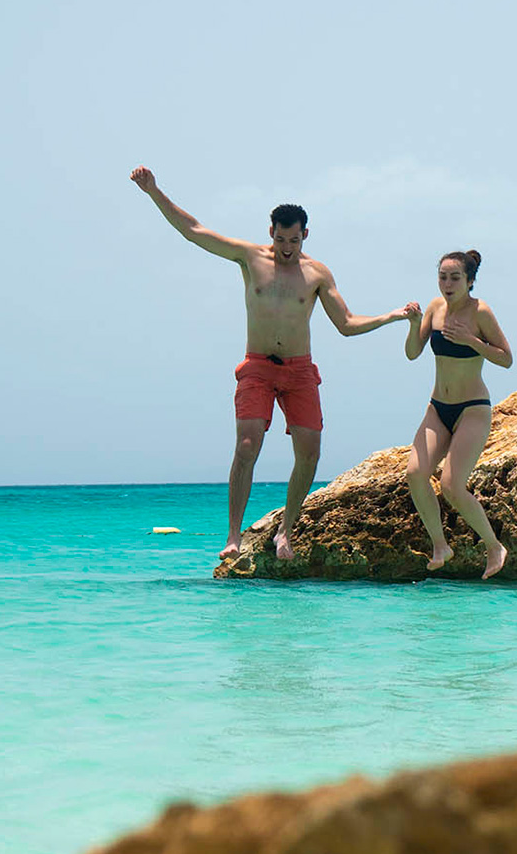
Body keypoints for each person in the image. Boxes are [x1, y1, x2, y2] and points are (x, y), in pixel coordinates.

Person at [130, 166, 418, 561]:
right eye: (281, 239)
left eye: (294, 240)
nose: (287, 247)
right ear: (271, 233)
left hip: (299, 370)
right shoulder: (250, 258)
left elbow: (347, 325)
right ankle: (232, 535)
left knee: (310, 451)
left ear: (305, 235)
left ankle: (286, 532)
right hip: (259, 367)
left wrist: (391, 316)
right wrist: (154, 192)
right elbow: (193, 230)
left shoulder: (317, 273)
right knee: (247, 446)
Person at [403, 249, 512, 579]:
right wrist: (412, 325)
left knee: (451, 485)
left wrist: (471, 340)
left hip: (472, 410)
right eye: (443, 277)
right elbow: (412, 353)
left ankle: (494, 546)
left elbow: (506, 359)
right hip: (438, 407)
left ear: (470, 281)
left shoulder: (481, 312)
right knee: (415, 474)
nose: (447, 284)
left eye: (455, 278)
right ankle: (440, 545)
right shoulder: (435, 308)